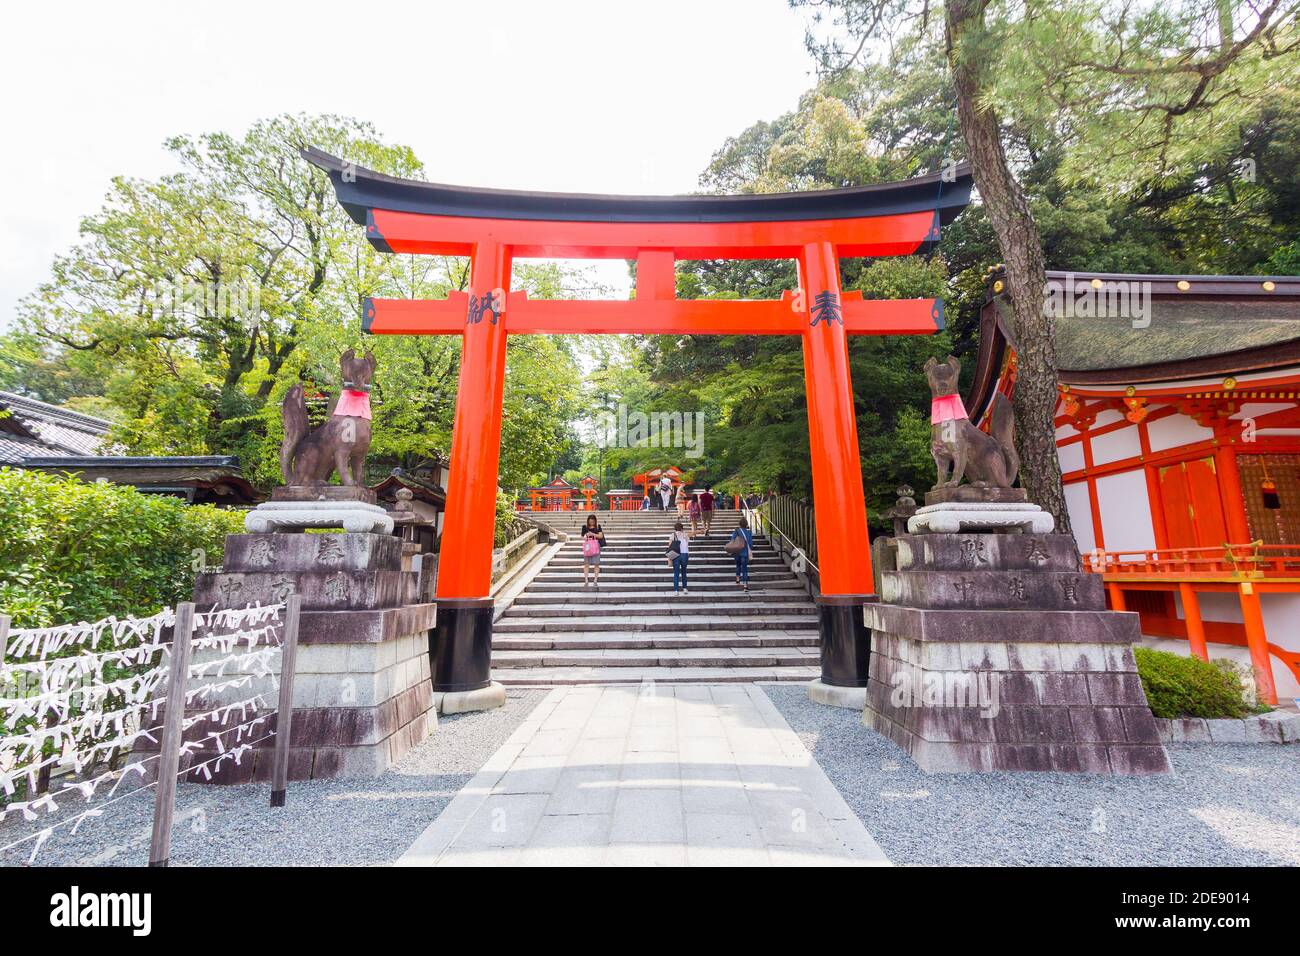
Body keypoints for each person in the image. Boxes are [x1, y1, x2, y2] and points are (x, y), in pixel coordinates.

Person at [729, 516, 754, 592]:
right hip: (745, 553)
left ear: (739, 524)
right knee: (745, 569)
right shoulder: (749, 532)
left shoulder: (736, 531)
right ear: (746, 524)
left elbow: (732, 540)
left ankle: (737, 579)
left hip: (737, 552)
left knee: (737, 565)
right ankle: (745, 586)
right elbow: (750, 544)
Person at [581, 514, 605, 587]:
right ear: (588, 521)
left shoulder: (598, 527)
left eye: (593, 521)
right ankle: (586, 580)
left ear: (595, 521)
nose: (591, 523)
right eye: (590, 521)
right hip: (588, 547)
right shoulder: (584, 527)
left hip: (595, 546)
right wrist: (585, 536)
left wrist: (593, 534)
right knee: (586, 564)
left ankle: (595, 580)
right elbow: (582, 536)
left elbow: (601, 536)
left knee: (596, 564)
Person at [667, 521, 690, 594]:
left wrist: (669, 558)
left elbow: (670, 546)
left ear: (675, 529)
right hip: (684, 555)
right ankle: (684, 588)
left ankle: (676, 590)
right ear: (682, 528)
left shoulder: (672, 535)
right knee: (684, 571)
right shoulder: (685, 534)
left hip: (676, 555)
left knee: (676, 573)